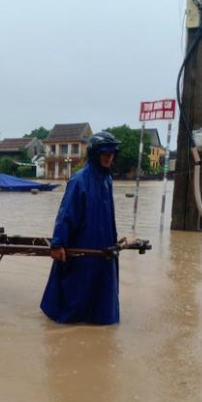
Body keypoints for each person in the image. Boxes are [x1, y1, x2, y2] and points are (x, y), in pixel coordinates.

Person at [40, 131, 124, 325]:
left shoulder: (107, 180)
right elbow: (66, 214)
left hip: (104, 245)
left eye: (112, 154)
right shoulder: (80, 181)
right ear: (95, 154)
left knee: (102, 289)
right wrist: (58, 243)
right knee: (77, 288)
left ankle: (99, 320)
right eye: (105, 154)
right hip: (83, 243)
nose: (109, 157)